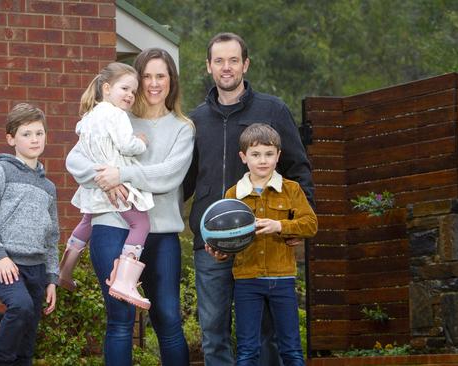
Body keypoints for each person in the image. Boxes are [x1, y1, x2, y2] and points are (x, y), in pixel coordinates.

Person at [183, 32, 315, 366]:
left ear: (246, 64)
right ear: (208, 66)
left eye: (233, 60)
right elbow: (183, 182)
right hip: (211, 245)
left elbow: (298, 168)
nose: (226, 68)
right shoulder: (195, 121)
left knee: (264, 334)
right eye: (218, 61)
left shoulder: (272, 109)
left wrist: (292, 224)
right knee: (214, 333)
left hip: (261, 242)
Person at [66, 48, 192, 365]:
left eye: (160, 76)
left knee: (167, 318)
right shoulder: (113, 116)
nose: (152, 84)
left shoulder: (182, 127)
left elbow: (169, 176)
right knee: (119, 318)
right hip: (113, 226)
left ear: (171, 81)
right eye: (146, 76)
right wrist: (104, 179)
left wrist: (121, 174)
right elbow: (75, 159)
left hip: (161, 233)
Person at [214, 123, 317, 365]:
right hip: (247, 280)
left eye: (269, 154)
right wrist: (220, 251)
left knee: (291, 348)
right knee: (248, 349)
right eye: (256, 154)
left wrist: (280, 226)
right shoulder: (232, 194)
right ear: (243, 157)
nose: (263, 160)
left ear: (278, 156)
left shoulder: (291, 190)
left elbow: (310, 224)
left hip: (282, 279)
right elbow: (225, 238)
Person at [58, 62, 153, 310]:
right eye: (125, 88)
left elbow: (83, 155)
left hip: (94, 188)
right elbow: (125, 145)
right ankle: (124, 280)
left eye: (134, 91)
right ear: (107, 88)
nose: (130, 95)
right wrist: (141, 142)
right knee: (141, 223)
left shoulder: (88, 118)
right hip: (114, 185)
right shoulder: (117, 115)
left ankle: (65, 270)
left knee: (87, 221)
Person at [0, 103, 58, 366]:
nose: (34, 139)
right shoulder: (0, 171)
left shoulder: (48, 186)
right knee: (20, 306)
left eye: (39, 133)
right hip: (4, 263)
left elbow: (52, 236)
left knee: (28, 339)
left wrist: (52, 278)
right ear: (11, 139)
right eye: (26, 134)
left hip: (36, 268)